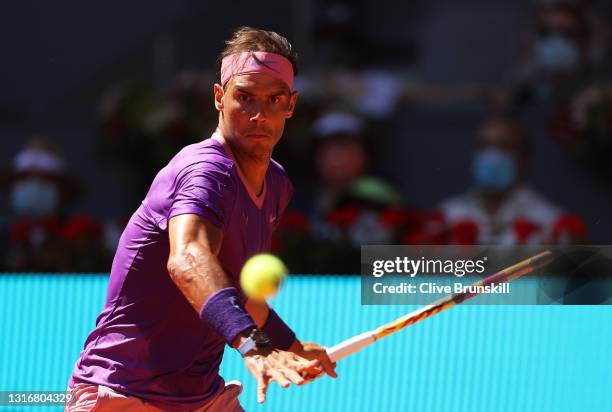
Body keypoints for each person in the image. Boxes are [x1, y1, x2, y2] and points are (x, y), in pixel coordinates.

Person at [67, 27, 336, 412]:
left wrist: (291, 346)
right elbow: (188, 260)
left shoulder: (276, 184)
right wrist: (252, 345)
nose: (259, 114)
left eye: (274, 99)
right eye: (244, 97)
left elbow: (239, 292)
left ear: (290, 105)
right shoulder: (204, 171)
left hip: (199, 398)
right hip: (123, 394)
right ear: (219, 98)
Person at [439, 115, 569, 244]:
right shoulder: (448, 216)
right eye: (483, 145)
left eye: (505, 147)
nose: (492, 156)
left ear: (525, 158)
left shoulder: (550, 221)